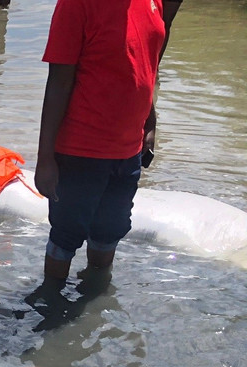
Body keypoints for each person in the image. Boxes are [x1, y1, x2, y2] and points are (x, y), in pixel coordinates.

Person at [34, 0, 182, 284]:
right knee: (65, 237)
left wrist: (150, 119)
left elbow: (147, 63)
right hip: (81, 149)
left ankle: (95, 296)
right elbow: (58, 82)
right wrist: (45, 158)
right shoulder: (76, 5)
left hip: (128, 150)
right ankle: (51, 300)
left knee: (109, 232)